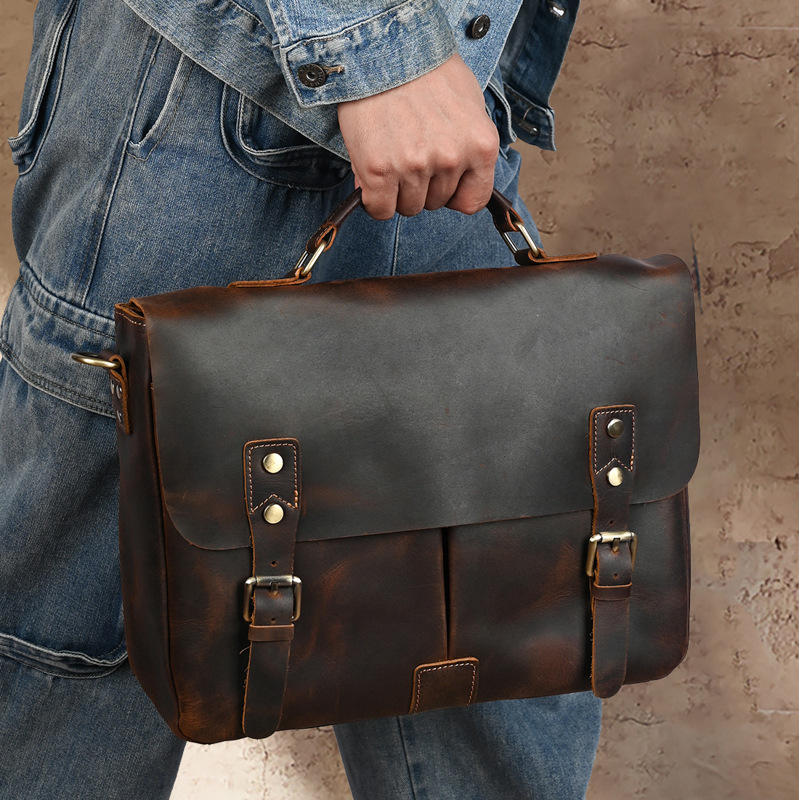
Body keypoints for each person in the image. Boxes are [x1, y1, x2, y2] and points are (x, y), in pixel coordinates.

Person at [0, 0, 601, 797]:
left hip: (448, 114)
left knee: (494, 663)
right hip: (212, 111)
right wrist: (384, 54)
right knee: (73, 690)